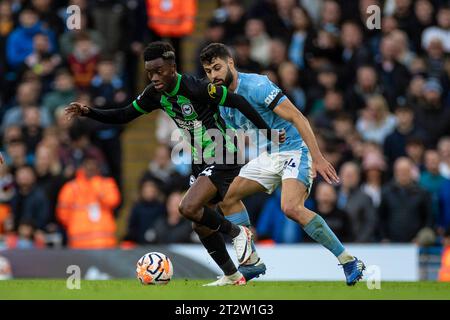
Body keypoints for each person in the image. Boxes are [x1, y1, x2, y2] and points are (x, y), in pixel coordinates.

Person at [65, 41, 281, 286]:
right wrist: (89, 112)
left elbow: (238, 102)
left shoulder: (195, 87)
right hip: (200, 161)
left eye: (159, 71)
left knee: (187, 207)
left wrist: (268, 131)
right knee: (200, 223)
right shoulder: (154, 94)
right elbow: (125, 114)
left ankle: (237, 232)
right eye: (149, 72)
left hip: (225, 153)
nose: (154, 77)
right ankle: (233, 276)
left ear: (172, 67)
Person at [199, 43, 365, 286]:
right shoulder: (222, 100)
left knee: (290, 207)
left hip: (295, 149)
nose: (214, 75)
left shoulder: (257, 86)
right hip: (269, 154)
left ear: (230, 63)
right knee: (227, 196)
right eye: (208, 71)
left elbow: (298, 116)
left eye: (217, 67)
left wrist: (318, 157)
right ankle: (251, 262)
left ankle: (349, 260)